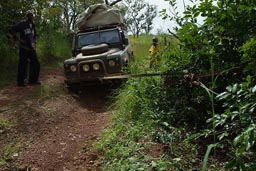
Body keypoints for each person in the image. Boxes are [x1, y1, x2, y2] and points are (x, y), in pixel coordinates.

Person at [9, 10, 40, 87]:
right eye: (29, 15)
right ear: (27, 16)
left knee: (36, 63)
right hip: (24, 48)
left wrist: (35, 38)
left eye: (32, 15)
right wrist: (17, 38)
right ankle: (20, 82)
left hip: (31, 48)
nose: (31, 17)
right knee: (23, 64)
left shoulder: (33, 25)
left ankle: (32, 81)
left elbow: (34, 34)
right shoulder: (22, 24)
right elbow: (11, 29)